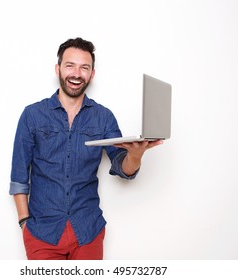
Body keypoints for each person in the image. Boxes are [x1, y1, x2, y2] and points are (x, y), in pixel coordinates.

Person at [9, 37, 163, 260]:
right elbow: (19, 176)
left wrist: (135, 154)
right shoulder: (32, 115)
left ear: (92, 74)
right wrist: (25, 223)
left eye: (84, 68)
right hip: (42, 233)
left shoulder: (104, 117)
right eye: (70, 65)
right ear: (58, 69)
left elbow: (124, 168)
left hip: (88, 231)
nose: (76, 73)